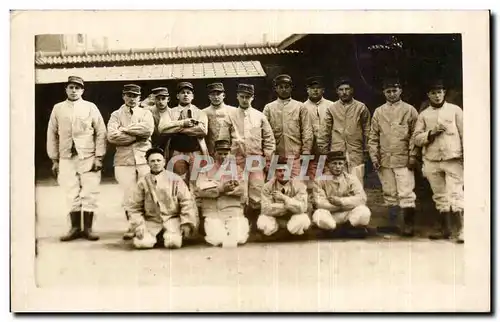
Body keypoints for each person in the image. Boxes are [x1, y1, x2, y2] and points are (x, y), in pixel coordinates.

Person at [46, 76, 107, 242]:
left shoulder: (90, 107)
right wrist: (55, 159)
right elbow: (52, 133)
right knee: (70, 191)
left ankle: (87, 229)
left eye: (77, 88)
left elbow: (101, 131)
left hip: (88, 155)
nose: (74, 90)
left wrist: (99, 156)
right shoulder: (58, 108)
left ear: (82, 90)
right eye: (71, 87)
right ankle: (74, 228)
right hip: (66, 156)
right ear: (66, 89)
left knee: (90, 190)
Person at [217, 83, 276, 232]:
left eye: (248, 97)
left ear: (252, 98)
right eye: (242, 96)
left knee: (257, 190)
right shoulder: (230, 116)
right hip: (237, 159)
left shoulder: (259, 116)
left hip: (256, 159)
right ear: (237, 96)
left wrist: (268, 159)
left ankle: (257, 225)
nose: (244, 100)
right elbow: (223, 140)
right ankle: (241, 226)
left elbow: (269, 139)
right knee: (239, 191)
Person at [413, 80, 463, 243]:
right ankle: (446, 229)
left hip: (453, 158)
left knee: (455, 194)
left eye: (440, 92)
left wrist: (465, 156)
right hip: (432, 159)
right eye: (433, 93)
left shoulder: (455, 110)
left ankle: (462, 230)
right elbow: (417, 139)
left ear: (444, 93)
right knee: (440, 196)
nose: (437, 95)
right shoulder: (424, 114)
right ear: (428, 95)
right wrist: (431, 133)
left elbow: (465, 134)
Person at [368, 78, 419, 237]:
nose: (391, 94)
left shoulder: (410, 110)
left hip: (403, 159)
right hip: (384, 159)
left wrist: (413, 156)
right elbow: (373, 136)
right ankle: (393, 224)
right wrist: (374, 157)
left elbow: (415, 135)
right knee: (389, 192)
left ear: (400, 91)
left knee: (406, 192)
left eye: (394, 90)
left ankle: (408, 226)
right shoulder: (379, 111)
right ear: (384, 92)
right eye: (388, 91)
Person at [107, 84, 155, 240]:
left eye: (135, 96)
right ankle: (132, 225)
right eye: (129, 95)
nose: (132, 98)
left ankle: (146, 225)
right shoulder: (116, 114)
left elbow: (147, 131)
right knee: (129, 194)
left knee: (146, 192)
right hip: (123, 160)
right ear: (123, 96)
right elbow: (112, 136)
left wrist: (124, 129)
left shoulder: (146, 112)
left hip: (143, 158)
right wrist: (135, 135)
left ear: (140, 97)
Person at [126, 148, 199, 249]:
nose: (156, 163)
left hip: (172, 219)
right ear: (148, 163)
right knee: (142, 244)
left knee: (173, 243)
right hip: (152, 221)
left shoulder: (175, 179)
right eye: (152, 161)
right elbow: (134, 206)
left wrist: (186, 222)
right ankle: (156, 236)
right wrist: (138, 225)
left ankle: (167, 236)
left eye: (158, 160)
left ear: (164, 162)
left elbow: (186, 202)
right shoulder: (142, 182)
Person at [194, 139, 249, 247]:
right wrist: (221, 189)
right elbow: (200, 191)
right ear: (214, 153)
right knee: (217, 240)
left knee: (239, 239)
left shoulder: (237, 169)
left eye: (226, 153)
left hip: (232, 210)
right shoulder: (205, 170)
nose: (223, 156)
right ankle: (221, 231)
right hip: (213, 211)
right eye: (220, 153)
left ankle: (230, 231)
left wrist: (231, 189)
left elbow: (243, 190)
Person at [318, 77, 371, 183]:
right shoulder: (332, 108)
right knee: (339, 181)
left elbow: (367, 130)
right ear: (337, 91)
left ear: (352, 90)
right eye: (341, 90)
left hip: (356, 150)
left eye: (347, 89)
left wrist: (366, 149)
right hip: (337, 149)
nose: (344, 92)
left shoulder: (361, 107)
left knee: (356, 181)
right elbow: (325, 131)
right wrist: (323, 150)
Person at [263, 74, 313, 178]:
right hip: (275, 155)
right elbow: (263, 132)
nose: (284, 90)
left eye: (286, 87)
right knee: (274, 185)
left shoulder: (300, 107)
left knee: (297, 183)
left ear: (291, 88)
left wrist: (306, 151)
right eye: (280, 87)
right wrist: (267, 155)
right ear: (276, 89)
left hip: (295, 155)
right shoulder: (269, 108)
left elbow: (307, 130)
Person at [312, 151, 371, 238]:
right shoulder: (319, 180)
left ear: (344, 165)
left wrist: (341, 201)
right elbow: (319, 203)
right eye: (334, 164)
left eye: (340, 163)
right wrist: (347, 204)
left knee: (364, 211)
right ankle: (336, 230)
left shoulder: (351, 179)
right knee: (319, 214)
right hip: (330, 214)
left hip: (347, 214)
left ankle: (343, 230)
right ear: (328, 165)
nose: (338, 167)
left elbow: (362, 199)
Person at [158, 82, 208, 184]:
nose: (185, 95)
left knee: (196, 183)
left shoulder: (200, 112)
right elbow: (162, 129)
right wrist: (183, 123)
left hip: (195, 152)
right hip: (177, 152)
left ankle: (194, 199)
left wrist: (177, 129)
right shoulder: (170, 112)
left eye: (188, 92)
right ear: (177, 96)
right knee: (179, 182)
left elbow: (202, 130)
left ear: (192, 96)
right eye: (182, 92)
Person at [257, 156, 311, 238]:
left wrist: (284, 198)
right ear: (275, 173)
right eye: (279, 171)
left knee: (303, 219)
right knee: (263, 221)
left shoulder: (299, 185)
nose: (282, 173)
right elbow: (265, 209)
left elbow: (302, 208)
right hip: (276, 218)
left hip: (293, 217)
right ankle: (275, 233)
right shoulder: (267, 187)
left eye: (285, 170)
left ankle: (292, 235)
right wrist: (289, 205)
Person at [203, 82, 236, 157]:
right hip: (211, 151)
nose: (216, 97)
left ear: (223, 95)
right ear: (209, 96)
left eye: (218, 94)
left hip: (230, 150)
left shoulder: (233, 111)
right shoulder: (204, 112)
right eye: (213, 94)